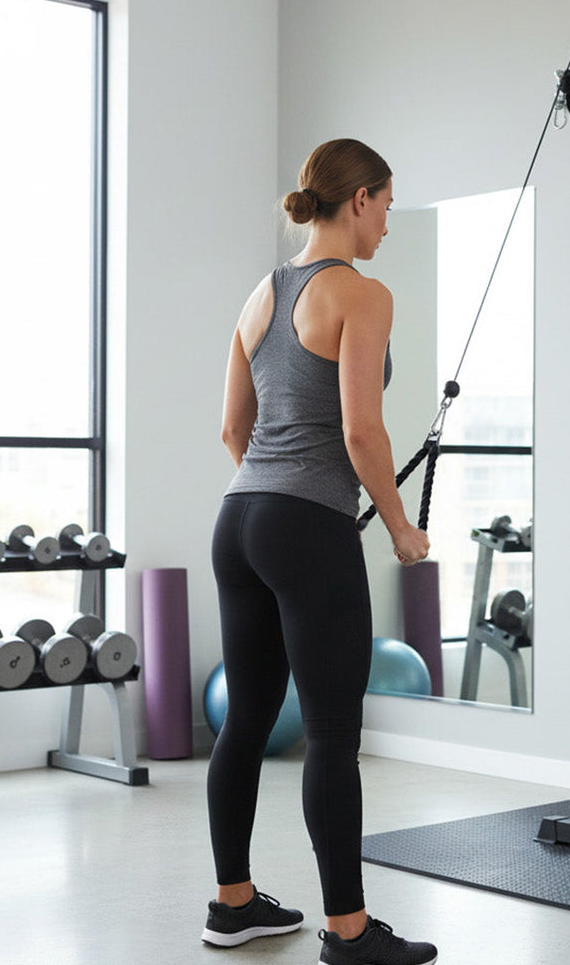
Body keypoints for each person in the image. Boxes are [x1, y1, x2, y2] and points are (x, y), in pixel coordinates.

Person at [202, 138, 438, 965]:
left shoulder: (260, 295)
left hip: (238, 521)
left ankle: (234, 906)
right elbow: (361, 429)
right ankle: (349, 932)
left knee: (248, 723)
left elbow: (234, 430)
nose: (388, 225)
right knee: (334, 735)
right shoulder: (362, 295)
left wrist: (273, 502)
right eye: (387, 206)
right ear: (360, 200)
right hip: (302, 527)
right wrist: (400, 526)